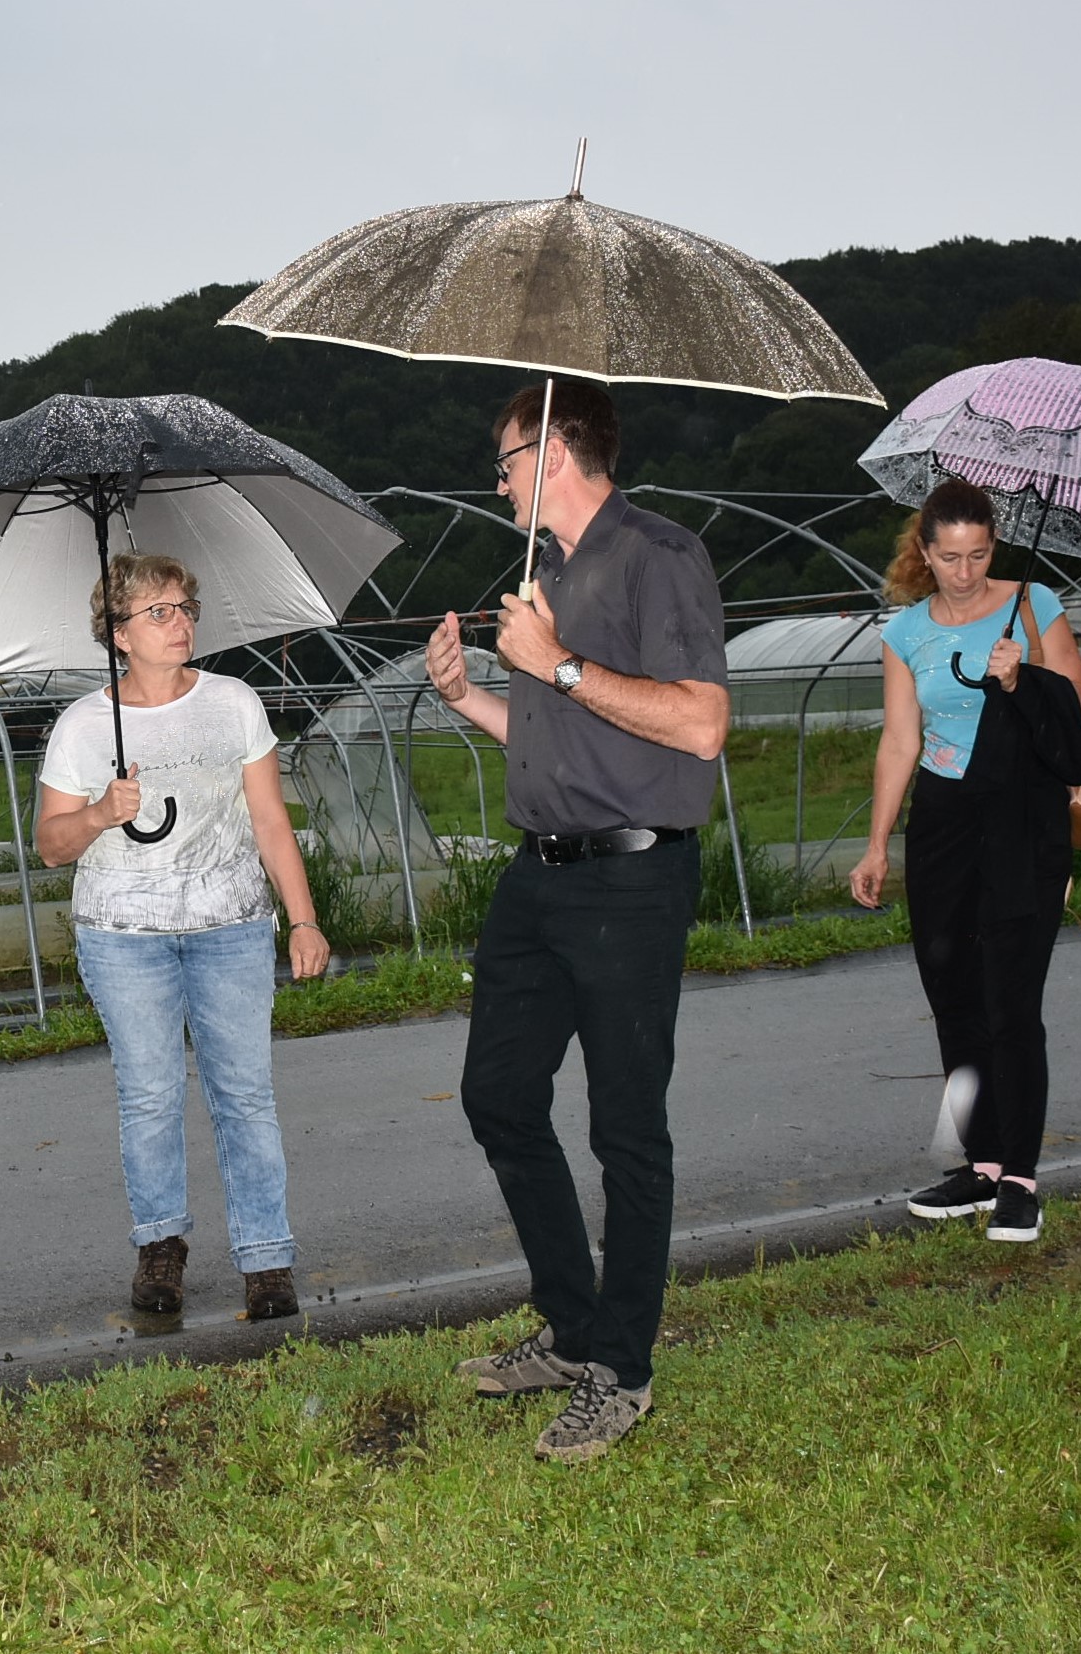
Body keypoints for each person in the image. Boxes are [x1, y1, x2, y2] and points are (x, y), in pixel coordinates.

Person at [423, 379, 730, 1464]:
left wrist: (555, 660)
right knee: (498, 1095)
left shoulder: (659, 556)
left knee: (624, 1127)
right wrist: (470, 692)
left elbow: (698, 725)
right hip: (539, 878)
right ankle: (573, 1323)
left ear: (551, 451)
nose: (496, 479)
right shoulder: (545, 575)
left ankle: (623, 1371)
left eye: (503, 459)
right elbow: (556, 736)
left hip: (629, 883)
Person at [35, 553, 330, 1322]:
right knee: (151, 1096)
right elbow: (50, 844)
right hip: (124, 933)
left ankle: (266, 1258)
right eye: (159, 611)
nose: (182, 621)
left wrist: (301, 917)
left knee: (243, 1094)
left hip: (228, 925)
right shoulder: (83, 725)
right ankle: (160, 1246)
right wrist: (100, 811)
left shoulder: (233, 702)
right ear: (117, 633)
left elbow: (270, 820)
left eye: (186, 606)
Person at [849, 477, 1081, 1245]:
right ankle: (979, 1164)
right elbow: (899, 741)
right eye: (949, 556)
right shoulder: (905, 634)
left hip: (1022, 820)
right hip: (944, 821)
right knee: (953, 995)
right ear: (924, 553)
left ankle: (1019, 1178)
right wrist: (876, 841)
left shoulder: (1033, 606)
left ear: (994, 546)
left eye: (978, 554)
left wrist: (1023, 678)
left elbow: (1078, 715)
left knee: (1010, 1004)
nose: (964, 571)